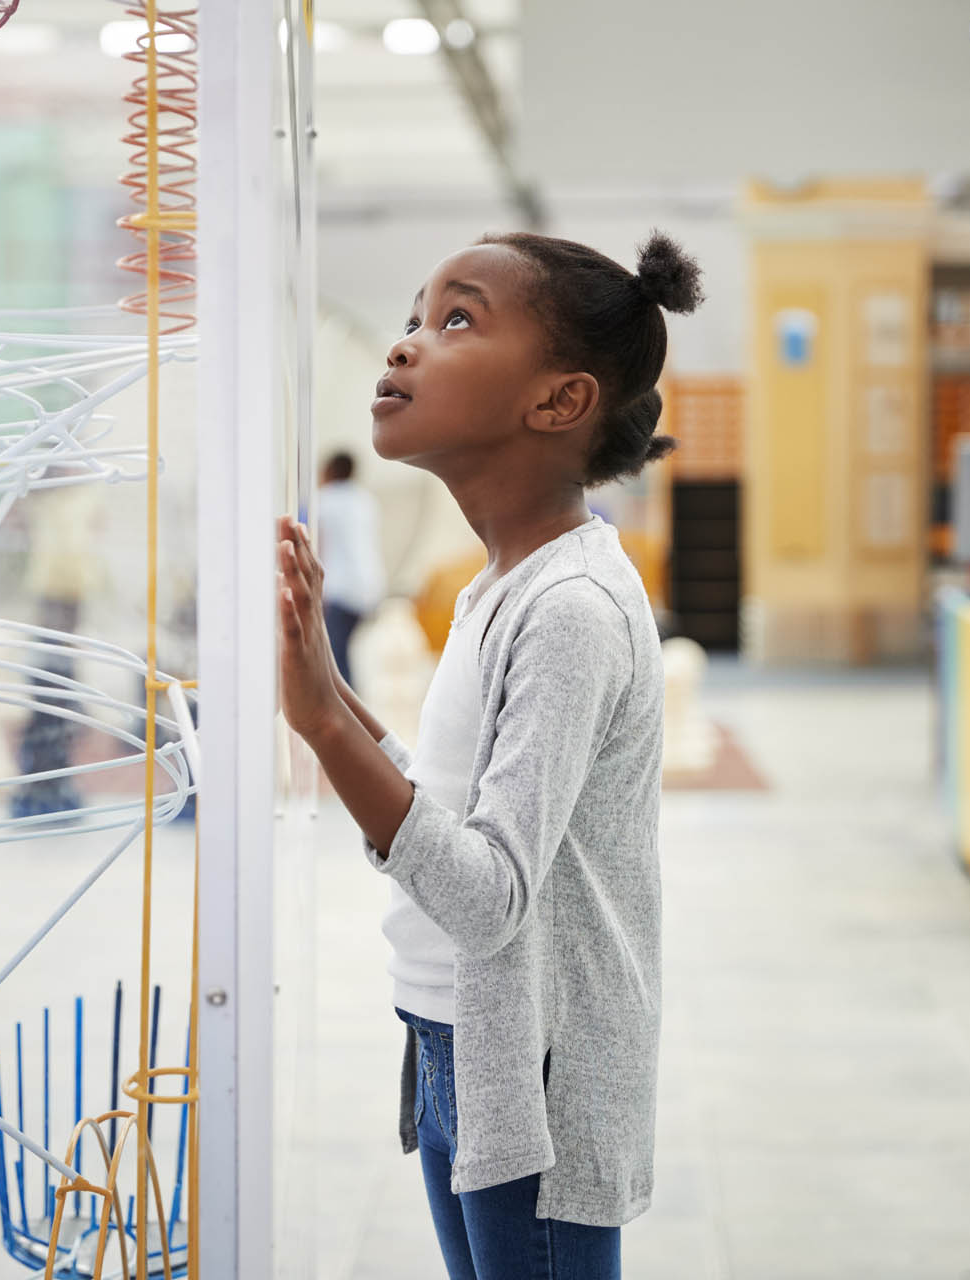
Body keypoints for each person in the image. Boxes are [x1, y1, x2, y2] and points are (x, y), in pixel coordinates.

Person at [276, 230, 702, 1280]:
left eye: (456, 319)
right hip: (454, 1039)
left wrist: (330, 730)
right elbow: (451, 800)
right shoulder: (504, 584)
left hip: (530, 1073)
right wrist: (325, 689)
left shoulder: (570, 610)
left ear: (558, 402)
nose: (408, 345)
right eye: (417, 316)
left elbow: (489, 894)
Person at [313, 450, 385, 687]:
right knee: (345, 653)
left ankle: (347, 709)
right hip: (369, 587)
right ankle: (353, 702)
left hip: (339, 590)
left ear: (329, 471)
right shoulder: (365, 500)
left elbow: (317, 546)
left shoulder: (325, 501)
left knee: (336, 657)